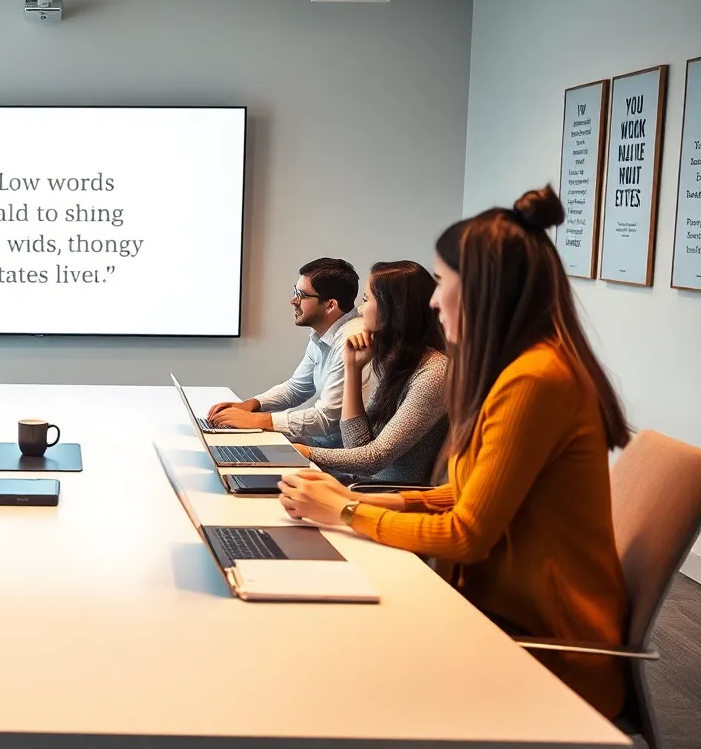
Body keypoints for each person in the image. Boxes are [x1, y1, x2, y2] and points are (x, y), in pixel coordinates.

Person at [277, 186, 630, 718]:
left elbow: (465, 535)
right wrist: (353, 502)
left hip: (541, 652)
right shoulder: (519, 371)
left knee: (324, 680)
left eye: (443, 283)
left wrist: (347, 511)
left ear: (485, 290)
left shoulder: (536, 381)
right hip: (495, 617)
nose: (434, 300)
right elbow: (460, 496)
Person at [294, 261, 448, 484]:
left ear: (392, 309)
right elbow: (356, 445)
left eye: (366, 300)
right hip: (368, 488)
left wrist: (304, 452)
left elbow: (373, 459)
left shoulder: (434, 372)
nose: (359, 309)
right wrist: (353, 369)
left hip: (393, 498)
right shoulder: (398, 362)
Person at [207, 258, 366, 447]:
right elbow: (296, 389)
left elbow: (326, 420)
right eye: (295, 291)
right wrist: (250, 405)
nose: (293, 301)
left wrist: (258, 421)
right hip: (318, 447)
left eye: (301, 295)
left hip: (338, 463)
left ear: (330, 305)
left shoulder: (352, 340)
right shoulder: (323, 335)